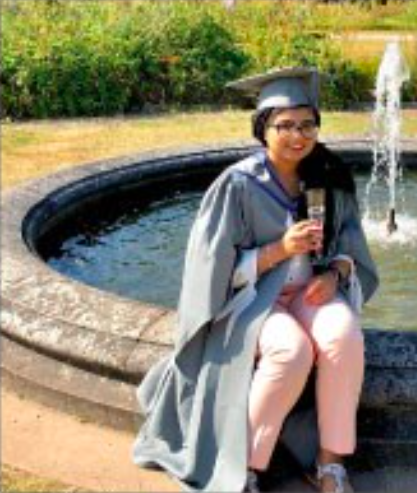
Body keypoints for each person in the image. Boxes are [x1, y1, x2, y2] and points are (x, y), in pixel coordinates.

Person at [132, 67, 379, 493]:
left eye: (307, 124)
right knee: (290, 350)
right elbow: (209, 268)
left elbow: (349, 243)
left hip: (310, 290)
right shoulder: (237, 185)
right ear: (262, 129)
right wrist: (278, 250)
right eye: (285, 126)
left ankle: (330, 464)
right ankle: (243, 468)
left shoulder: (328, 176)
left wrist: (336, 274)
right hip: (253, 298)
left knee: (343, 335)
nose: (298, 136)